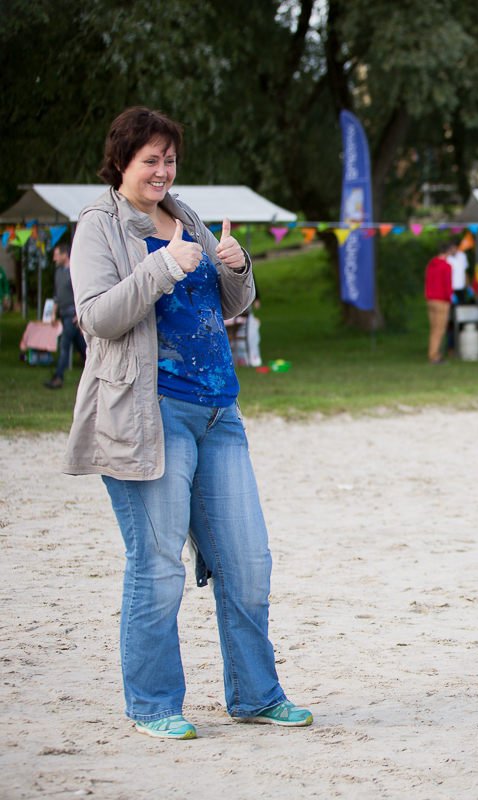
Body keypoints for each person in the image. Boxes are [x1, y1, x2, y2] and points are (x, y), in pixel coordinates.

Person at [61, 106, 311, 740]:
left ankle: (255, 695)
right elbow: (96, 317)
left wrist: (237, 267)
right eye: (150, 160)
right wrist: (162, 266)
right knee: (158, 565)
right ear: (121, 162)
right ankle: (152, 705)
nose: (162, 171)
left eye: (169, 159)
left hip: (219, 410)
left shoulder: (187, 216)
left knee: (248, 563)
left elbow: (229, 305)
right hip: (150, 414)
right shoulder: (98, 225)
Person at [44, 241, 87, 389]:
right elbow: (57, 295)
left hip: (72, 315)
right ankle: (97, 369)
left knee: (64, 344)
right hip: (63, 314)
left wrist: (79, 313)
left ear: (64, 255)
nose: (54, 258)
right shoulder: (58, 272)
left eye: (56, 255)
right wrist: (53, 313)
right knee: (81, 346)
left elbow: (82, 293)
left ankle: (58, 378)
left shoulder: (74, 271)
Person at [425, 240, 454, 364]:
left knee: (434, 329)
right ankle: (434, 356)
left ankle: (434, 354)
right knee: (439, 330)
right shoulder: (446, 266)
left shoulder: (431, 264)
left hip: (430, 299)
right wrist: (449, 298)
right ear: (448, 252)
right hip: (441, 300)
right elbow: (447, 284)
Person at [448, 236, 472, 305]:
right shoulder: (447, 258)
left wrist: (468, 287)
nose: (453, 250)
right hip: (451, 289)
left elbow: (465, 272)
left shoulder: (462, 256)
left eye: (455, 248)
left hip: (461, 288)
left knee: (462, 307)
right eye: (451, 248)